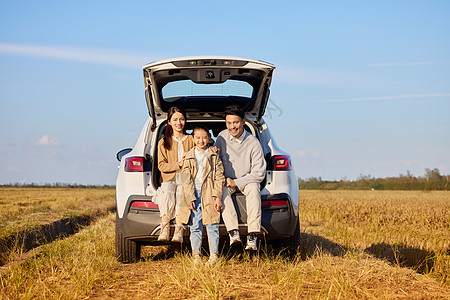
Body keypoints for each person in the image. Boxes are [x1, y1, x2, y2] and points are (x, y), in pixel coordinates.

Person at [214, 105, 266, 251]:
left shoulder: (253, 142)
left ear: (243, 122)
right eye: (229, 123)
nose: (232, 127)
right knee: (221, 191)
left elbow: (259, 173)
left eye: (236, 122)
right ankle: (234, 234)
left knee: (254, 189)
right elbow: (215, 162)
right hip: (227, 180)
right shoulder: (221, 138)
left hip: (246, 180)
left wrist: (236, 182)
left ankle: (252, 236)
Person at [181, 125, 225, 265]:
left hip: (210, 193)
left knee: (212, 224)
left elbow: (219, 176)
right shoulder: (188, 156)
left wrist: (217, 196)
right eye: (198, 137)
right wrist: (189, 198)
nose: (201, 140)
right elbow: (186, 179)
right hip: (194, 193)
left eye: (204, 137)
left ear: (209, 138)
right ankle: (196, 255)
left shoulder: (213, 155)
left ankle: (214, 255)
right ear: (193, 138)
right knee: (195, 225)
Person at [156, 106, 194, 242]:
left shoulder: (191, 140)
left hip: (186, 178)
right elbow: (161, 165)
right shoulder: (163, 142)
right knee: (167, 190)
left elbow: (202, 151)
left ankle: (179, 229)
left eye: (182, 119)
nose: (179, 123)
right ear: (169, 122)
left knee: (183, 193)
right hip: (169, 178)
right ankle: (165, 227)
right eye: (175, 119)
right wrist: (178, 164)